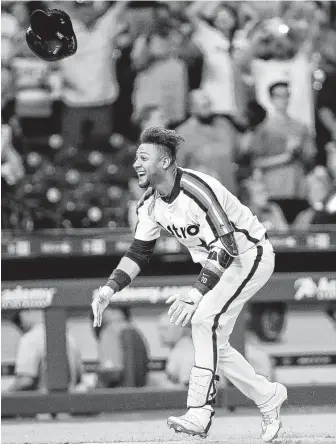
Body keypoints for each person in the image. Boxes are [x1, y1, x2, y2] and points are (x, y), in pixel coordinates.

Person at [92, 126, 287, 441]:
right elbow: (139, 253)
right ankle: (267, 396)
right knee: (214, 343)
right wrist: (108, 289)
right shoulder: (149, 204)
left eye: (144, 157)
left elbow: (226, 247)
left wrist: (195, 294)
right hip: (221, 264)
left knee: (203, 318)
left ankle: (200, 409)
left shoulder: (197, 190)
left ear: (166, 162)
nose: (136, 165)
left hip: (250, 255)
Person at [6, 309, 83, 392]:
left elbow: (25, 381)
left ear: (23, 315)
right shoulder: (69, 337)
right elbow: (78, 377)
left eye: (16, 321)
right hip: (68, 400)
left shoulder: (30, 339)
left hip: (42, 402)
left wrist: (5, 395)